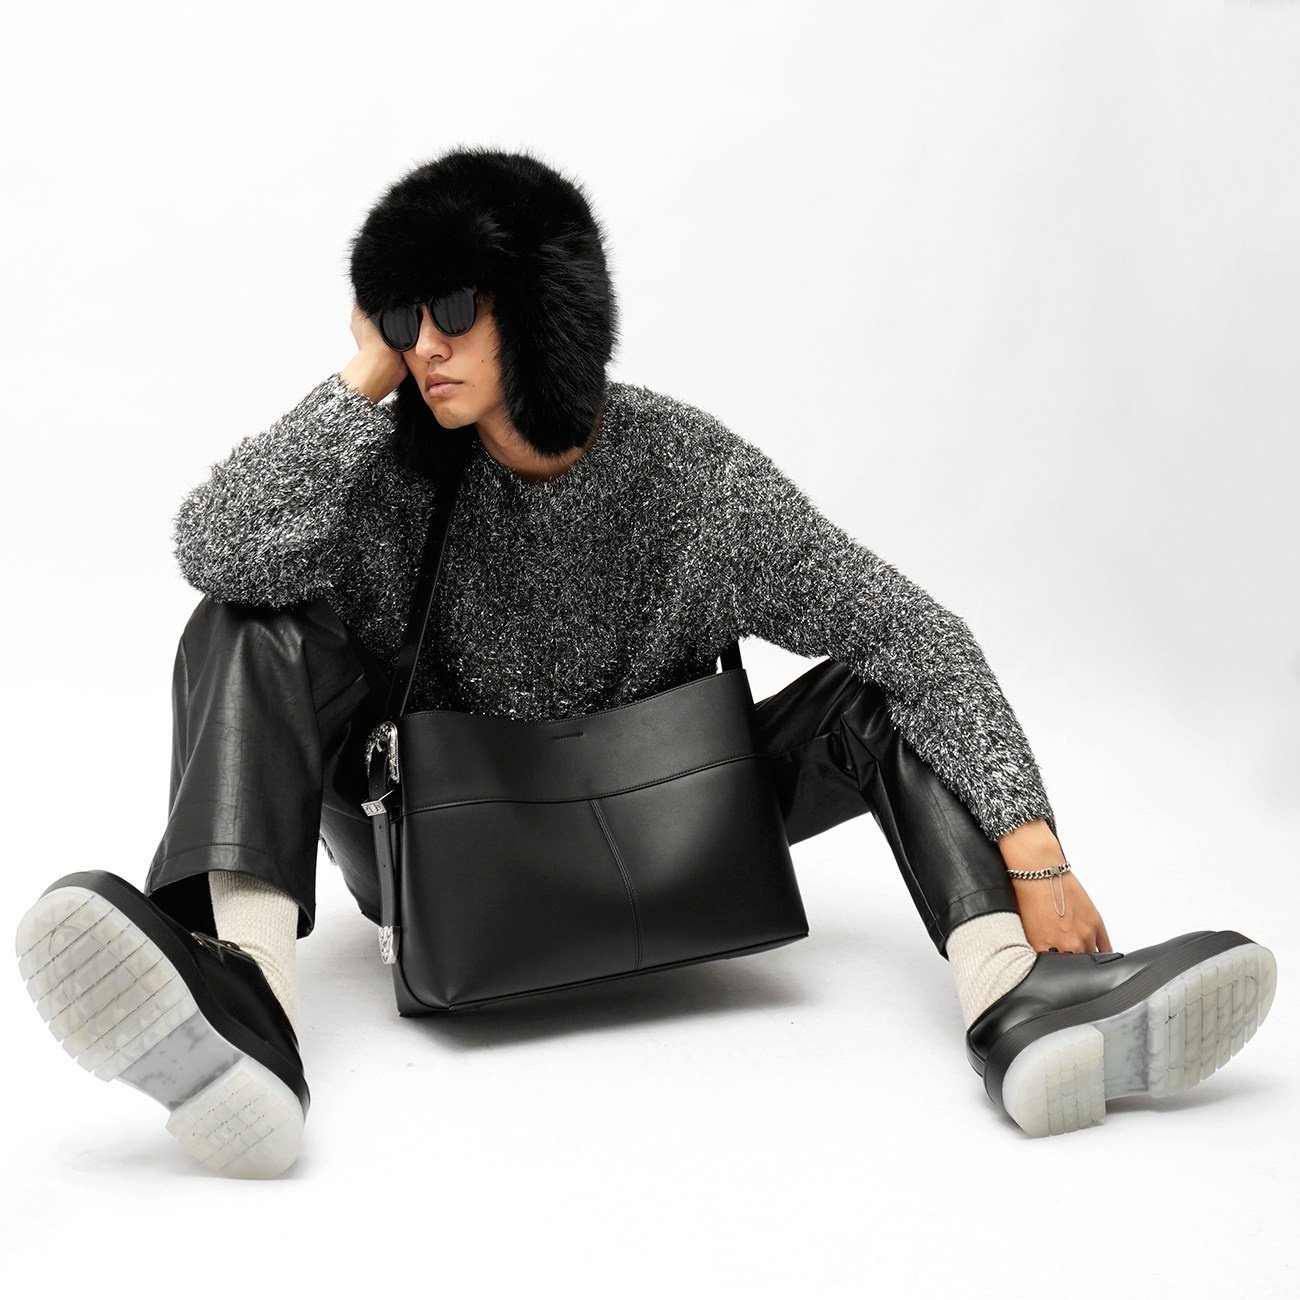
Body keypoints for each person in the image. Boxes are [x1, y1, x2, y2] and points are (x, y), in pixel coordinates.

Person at [14, 145, 1277, 1179]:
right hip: (439, 846)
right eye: (400, 318)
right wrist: (362, 378)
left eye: (452, 310)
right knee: (248, 618)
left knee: (883, 679)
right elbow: (217, 548)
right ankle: (249, 1002)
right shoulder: (392, 472)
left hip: (671, 826)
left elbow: (919, 633)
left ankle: (1018, 997)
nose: (425, 344)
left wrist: (1037, 854)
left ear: (540, 309)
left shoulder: (690, 474)